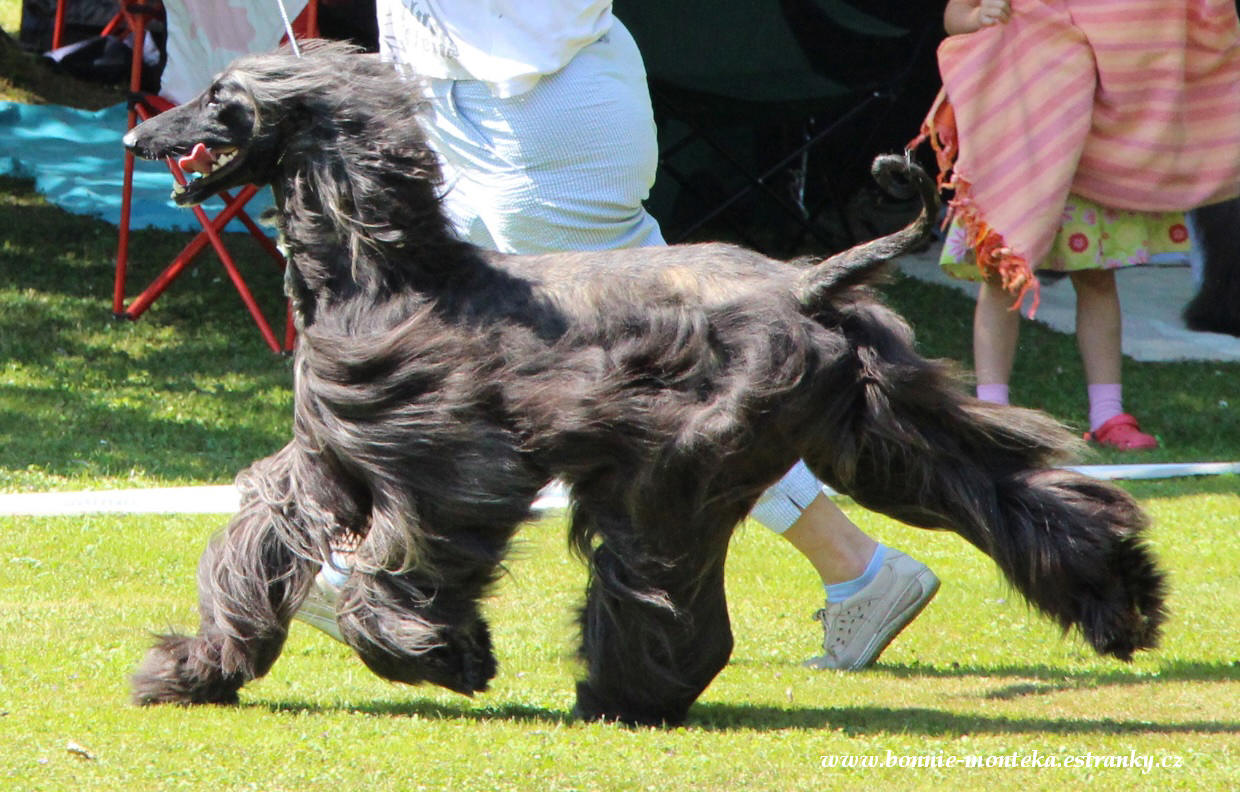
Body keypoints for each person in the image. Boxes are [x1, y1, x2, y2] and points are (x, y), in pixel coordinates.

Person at [297, 0, 941, 672]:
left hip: (533, 97)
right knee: (455, 347)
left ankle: (858, 563)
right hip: (472, 90)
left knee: (672, 377)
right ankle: (370, 563)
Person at [922, 0, 1240, 449]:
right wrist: (977, 18)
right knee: (1000, 282)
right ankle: (992, 414)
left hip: (1090, 161)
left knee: (1096, 281)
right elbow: (956, 14)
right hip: (1024, 150)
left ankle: (1108, 415)